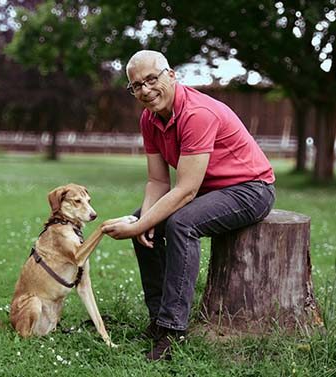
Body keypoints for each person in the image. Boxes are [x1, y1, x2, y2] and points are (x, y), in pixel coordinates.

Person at [101, 50, 276, 361]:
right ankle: (157, 320)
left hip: (251, 189)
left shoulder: (196, 113)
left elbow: (185, 191)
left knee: (181, 224)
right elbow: (157, 182)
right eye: (136, 85)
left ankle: (173, 330)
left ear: (171, 74)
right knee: (144, 219)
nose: (145, 90)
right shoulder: (150, 119)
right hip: (211, 191)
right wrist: (143, 221)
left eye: (151, 79)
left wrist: (138, 226)